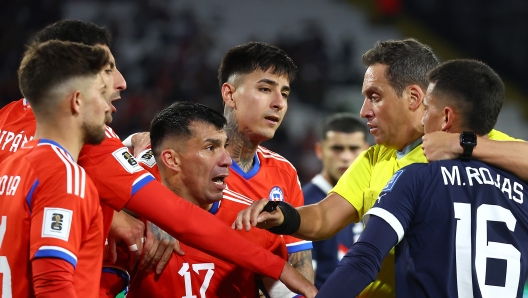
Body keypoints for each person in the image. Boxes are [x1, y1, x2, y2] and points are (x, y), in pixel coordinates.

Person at [0, 20, 318, 297]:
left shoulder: (10, 137)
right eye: (106, 69)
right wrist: (128, 216)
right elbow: (180, 218)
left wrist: (113, 216)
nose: (120, 82)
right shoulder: (78, 163)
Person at [233, 38, 517, 297]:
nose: (363, 110)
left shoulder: (473, 146)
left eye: (375, 96)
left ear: (414, 98)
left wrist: (464, 145)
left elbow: (364, 259)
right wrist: (284, 215)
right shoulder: (376, 157)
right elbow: (324, 217)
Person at [318, 59, 528, 297]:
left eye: (427, 109)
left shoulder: (416, 178)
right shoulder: (521, 188)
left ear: (447, 118)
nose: (423, 119)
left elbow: (363, 259)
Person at [127, 101, 297, 297]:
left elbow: (287, 292)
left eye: (224, 146)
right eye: (210, 148)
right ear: (172, 160)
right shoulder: (129, 221)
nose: (227, 160)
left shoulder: (253, 222)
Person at [0, 40, 110, 297]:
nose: (107, 107)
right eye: (101, 94)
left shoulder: (8, 169)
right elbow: (53, 285)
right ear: (77, 101)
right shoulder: (64, 177)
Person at [302, 113, 368, 289]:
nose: (346, 157)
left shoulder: (377, 197)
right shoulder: (303, 203)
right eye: (337, 148)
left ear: (367, 151)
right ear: (319, 150)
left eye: (353, 148)